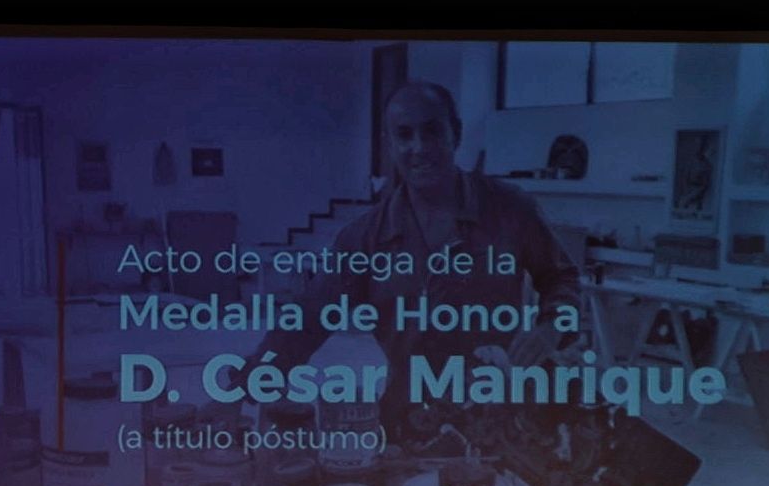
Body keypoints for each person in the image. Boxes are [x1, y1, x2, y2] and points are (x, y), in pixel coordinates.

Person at [249, 80, 583, 441]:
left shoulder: (511, 209)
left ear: (455, 133)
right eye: (404, 135)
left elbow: (561, 278)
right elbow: (306, 321)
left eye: (432, 131)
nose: (418, 148)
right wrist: (242, 387)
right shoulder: (364, 238)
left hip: (501, 420)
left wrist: (551, 326)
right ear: (391, 145)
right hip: (408, 423)